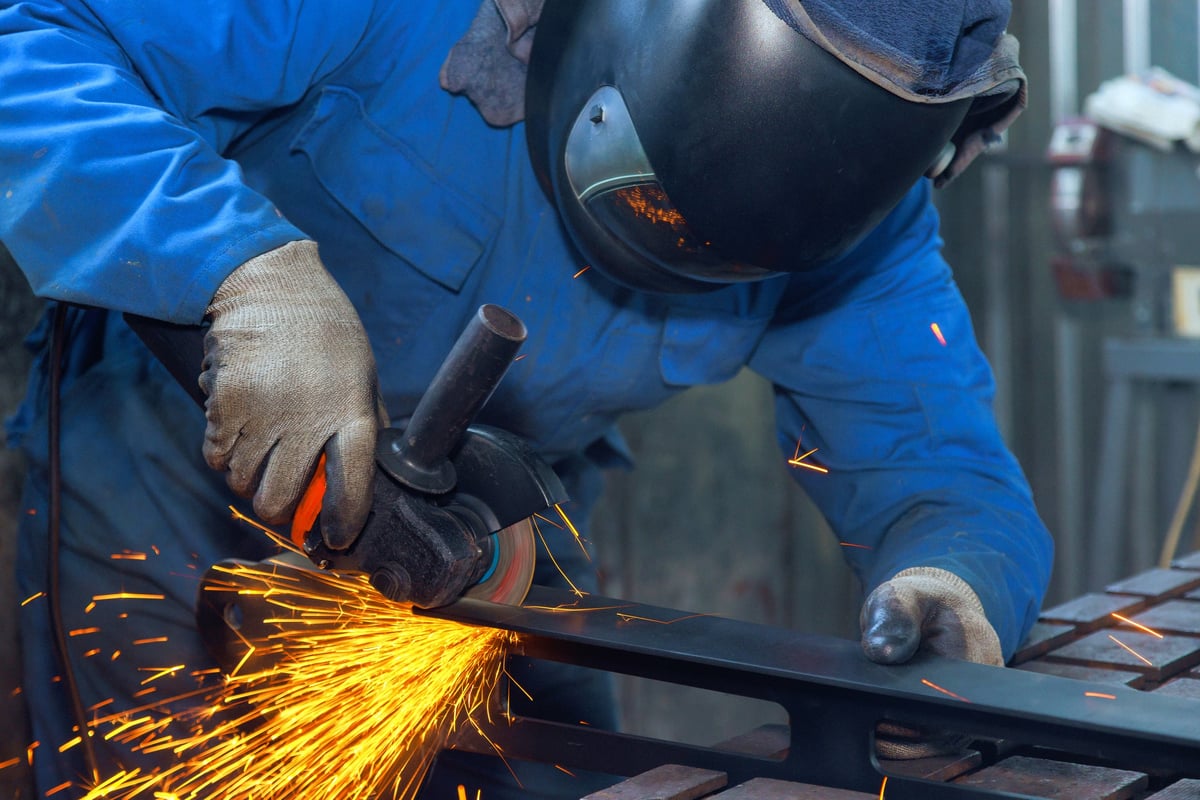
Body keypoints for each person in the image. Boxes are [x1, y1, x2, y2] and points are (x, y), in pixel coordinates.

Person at [0, 0, 1053, 797]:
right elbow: (32, 40)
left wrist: (956, 588)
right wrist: (233, 269)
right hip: (174, 472)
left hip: (480, 534)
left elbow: (945, 473)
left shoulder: (862, 218)